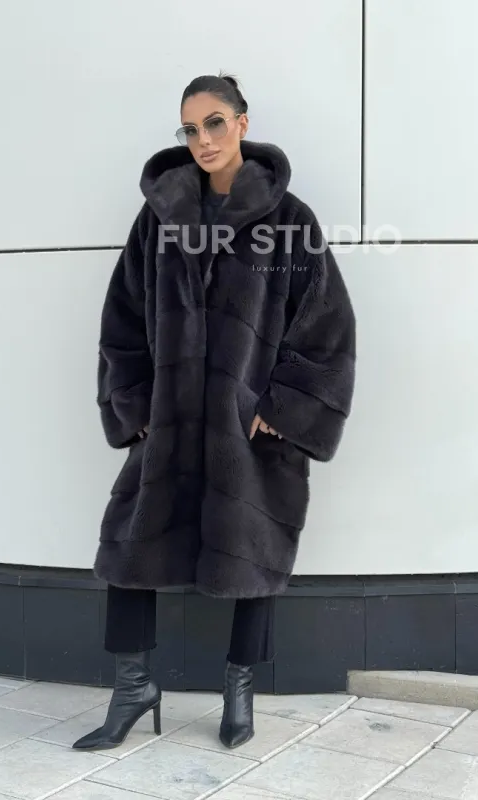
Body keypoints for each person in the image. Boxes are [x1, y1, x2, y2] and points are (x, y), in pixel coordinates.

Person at [73, 73, 356, 752]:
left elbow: (326, 327)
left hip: (246, 426)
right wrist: (134, 404)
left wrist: (282, 411)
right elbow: (122, 319)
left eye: (215, 123)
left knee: (253, 547)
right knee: (130, 548)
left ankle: (239, 687)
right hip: (169, 423)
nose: (202, 139)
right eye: (190, 128)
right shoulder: (160, 217)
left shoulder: (291, 221)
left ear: (242, 123)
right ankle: (133, 687)